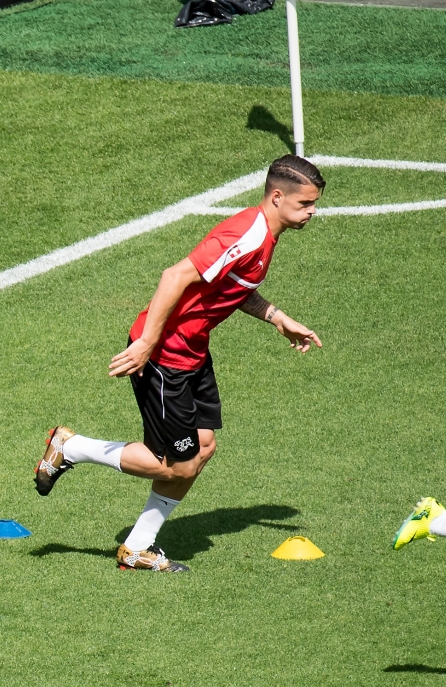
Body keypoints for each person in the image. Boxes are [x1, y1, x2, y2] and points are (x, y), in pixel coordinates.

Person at [35, 155, 325, 572]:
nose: (312, 213)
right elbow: (175, 276)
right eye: (305, 204)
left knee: (203, 447)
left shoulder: (265, 238)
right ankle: (72, 447)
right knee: (178, 462)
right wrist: (148, 343)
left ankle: (137, 548)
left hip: (192, 352)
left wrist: (277, 318)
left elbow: (232, 288)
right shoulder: (245, 233)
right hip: (164, 356)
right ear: (277, 197)